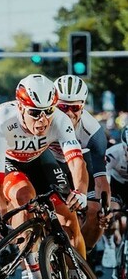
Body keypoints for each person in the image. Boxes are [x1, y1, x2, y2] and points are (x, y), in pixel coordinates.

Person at [0, 74, 93, 279]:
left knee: (67, 215)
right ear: (20, 107)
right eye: (34, 113)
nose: (42, 120)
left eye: (48, 111)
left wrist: (81, 192)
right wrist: (1, 214)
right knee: (24, 198)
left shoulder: (59, 120)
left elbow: (76, 161)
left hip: (37, 158)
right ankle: (34, 278)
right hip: (6, 163)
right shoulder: (1, 122)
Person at [51, 75, 110, 251]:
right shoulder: (43, 121)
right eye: (62, 107)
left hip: (81, 163)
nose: (68, 113)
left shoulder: (93, 131)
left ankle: (81, 259)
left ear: (83, 106)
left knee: (96, 211)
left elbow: (101, 180)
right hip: (51, 163)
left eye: (75, 107)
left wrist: (105, 210)